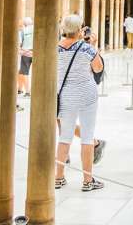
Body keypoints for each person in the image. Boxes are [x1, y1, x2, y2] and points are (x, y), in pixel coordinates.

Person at [54, 15, 104, 191]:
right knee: (87, 137)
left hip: (65, 95)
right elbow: (98, 68)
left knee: (64, 136)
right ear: (79, 29)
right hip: (86, 95)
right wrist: (93, 46)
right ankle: (87, 180)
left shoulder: (56, 48)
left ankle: (58, 177)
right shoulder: (87, 48)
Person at [18, 17, 34, 96]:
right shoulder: (36, 30)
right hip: (35, 53)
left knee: (25, 72)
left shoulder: (23, 31)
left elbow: (20, 43)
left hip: (25, 53)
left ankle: (27, 91)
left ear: (24, 24)